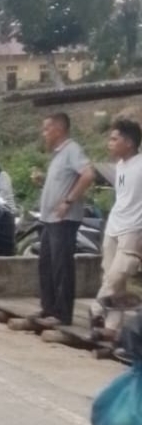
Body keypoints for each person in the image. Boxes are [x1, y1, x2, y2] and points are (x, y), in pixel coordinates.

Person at [34, 113, 96, 327]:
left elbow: (88, 174)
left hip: (63, 219)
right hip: (50, 219)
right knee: (46, 264)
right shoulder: (59, 155)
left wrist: (68, 201)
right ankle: (48, 308)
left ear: (58, 129)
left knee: (61, 266)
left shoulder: (72, 150)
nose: (44, 134)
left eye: (46, 129)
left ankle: (62, 314)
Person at [94, 119, 142, 340]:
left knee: (116, 276)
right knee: (114, 280)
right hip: (113, 227)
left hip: (134, 229)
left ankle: (96, 309)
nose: (109, 143)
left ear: (130, 143)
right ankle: (112, 329)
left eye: (115, 139)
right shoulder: (120, 166)